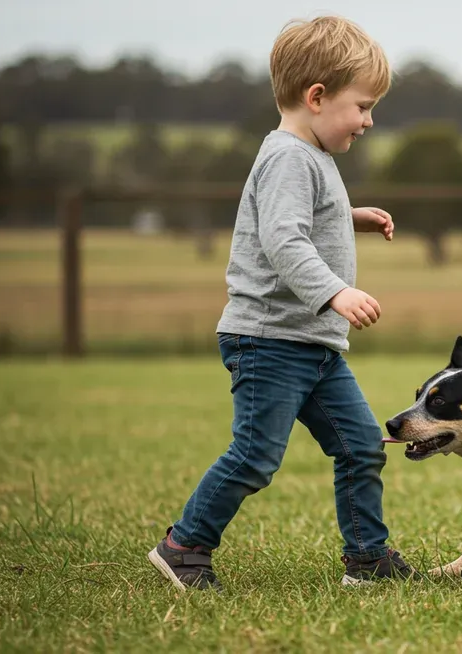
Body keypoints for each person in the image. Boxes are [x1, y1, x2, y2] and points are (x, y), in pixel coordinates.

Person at [147, 14, 414, 590]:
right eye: (363, 106)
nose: (369, 121)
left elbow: (305, 216)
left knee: (361, 445)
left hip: (312, 345)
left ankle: (367, 557)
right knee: (255, 456)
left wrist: (350, 218)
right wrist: (336, 291)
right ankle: (184, 546)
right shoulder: (289, 156)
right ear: (316, 97)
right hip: (268, 340)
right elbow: (282, 236)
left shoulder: (311, 157)